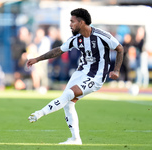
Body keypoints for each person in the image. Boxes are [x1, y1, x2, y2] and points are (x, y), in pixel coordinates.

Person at [27, 8, 124, 145]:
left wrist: (117, 70)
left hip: (96, 77)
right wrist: (37, 59)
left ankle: (39, 113)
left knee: (67, 95)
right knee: (68, 104)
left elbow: (120, 48)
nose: (70, 24)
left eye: (72, 21)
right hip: (80, 72)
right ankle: (75, 139)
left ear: (82, 22)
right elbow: (58, 50)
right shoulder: (76, 39)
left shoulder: (102, 36)